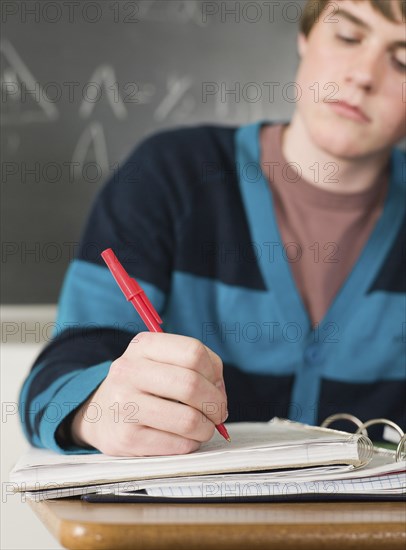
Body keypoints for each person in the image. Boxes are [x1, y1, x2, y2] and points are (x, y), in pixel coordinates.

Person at [19, 0, 406, 456]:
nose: (363, 75)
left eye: (402, 60)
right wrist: (97, 411)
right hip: (185, 527)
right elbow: (49, 388)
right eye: (347, 36)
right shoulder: (167, 175)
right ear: (305, 36)